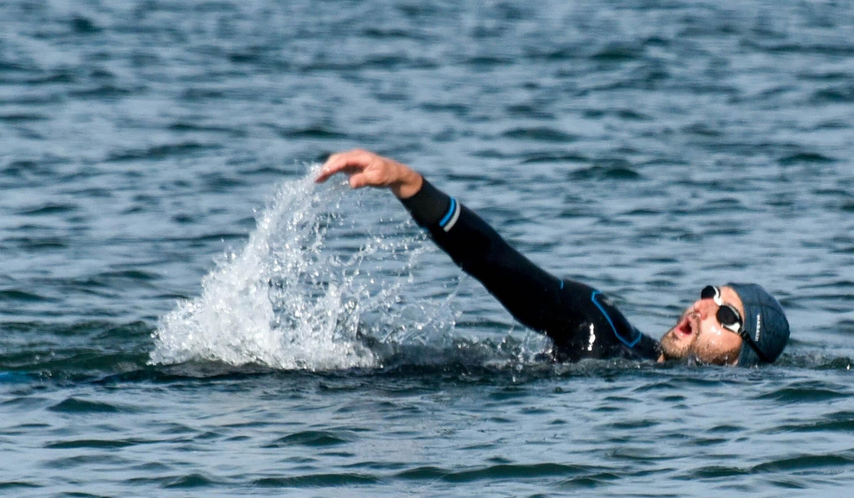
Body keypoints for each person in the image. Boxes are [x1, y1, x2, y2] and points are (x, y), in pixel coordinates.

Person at [316, 149, 789, 366]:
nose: (702, 307)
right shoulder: (599, 328)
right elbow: (499, 265)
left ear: (742, 361)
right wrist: (412, 187)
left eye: (725, 314)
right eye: (709, 294)